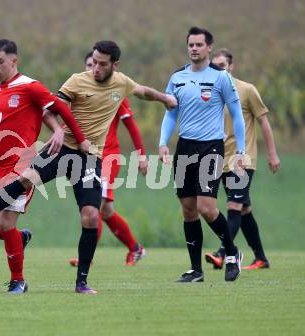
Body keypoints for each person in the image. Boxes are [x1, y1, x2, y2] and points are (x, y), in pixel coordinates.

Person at [0, 40, 177, 294]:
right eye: (94, 61)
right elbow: (53, 107)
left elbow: (143, 92)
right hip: (62, 149)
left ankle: (81, 283)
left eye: (102, 64)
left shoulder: (122, 83)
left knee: (91, 215)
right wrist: (56, 132)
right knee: (25, 178)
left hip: (89, 157)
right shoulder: (77, 80)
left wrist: (165, 99)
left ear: (115, 65)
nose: (96, 67)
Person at [0, 39, 89, 295]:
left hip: (21, 168)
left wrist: (69, 135)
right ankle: (19, 241)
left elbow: (59, 108)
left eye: (0, 61)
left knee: (7, 224)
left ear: (13, 60)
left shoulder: (30, 86)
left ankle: (18, 281)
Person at [158, 27, 246, 282]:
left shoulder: (221, 78)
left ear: (209, 47)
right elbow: (170, 112)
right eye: (191, 45)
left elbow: (237, 114)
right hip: (185, 147)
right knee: (188, 209)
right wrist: (163, 142)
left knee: (207, 207)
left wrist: (240, 150)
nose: (194, 48)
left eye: (199, 45)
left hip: (211, 147)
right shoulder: (177, 77)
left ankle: (231, 253)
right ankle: (196, 270)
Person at [69, 51, 147, 267]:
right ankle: (135, 248)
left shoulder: (114, 92)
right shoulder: (81, 91)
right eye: (88, 65)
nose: (92, 69)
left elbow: (131, 126)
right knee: (106, 211)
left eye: (96, 64)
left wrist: (141, 155)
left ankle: (88, 257)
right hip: (86, 156)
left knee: (95, 204)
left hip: (108, 157)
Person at [204, 48, 281, 270]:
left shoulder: (246, 90)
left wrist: (272, 153)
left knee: (234, 206)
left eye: (222, 65)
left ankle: (223, 254)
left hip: (242, 159)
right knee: (244, 210)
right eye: (214, 66)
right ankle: (261, 258)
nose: (218, 69)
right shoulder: (209, 92)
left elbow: (264, 122)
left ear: (231, 66)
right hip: (219, 159)